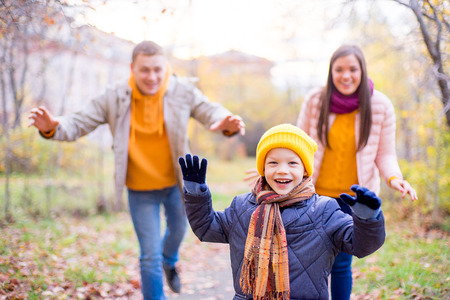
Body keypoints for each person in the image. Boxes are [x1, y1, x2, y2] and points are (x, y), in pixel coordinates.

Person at [27, 40, 245, 300]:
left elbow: (211, 111)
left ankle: (169, 260)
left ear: (165, 67)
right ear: (132, 68)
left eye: (157, 69)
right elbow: (78, 121)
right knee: (148, 255)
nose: (152, 77)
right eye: (144, 70)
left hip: (177, 184)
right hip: (140, 189)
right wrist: (52, 126)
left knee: (178, 232)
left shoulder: (182, 91)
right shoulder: (115, 96)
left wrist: (226, 123)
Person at [178, 124, 386, 300]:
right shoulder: (242, 206)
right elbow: (206, 228)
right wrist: (196, 194)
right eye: (273, 162)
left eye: (292, 163)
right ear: (263, 168)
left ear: (305, 169)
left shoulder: (324, 210)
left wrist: (367, 218)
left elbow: (361, 245)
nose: (282, 170)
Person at [296, 44, 417, 300]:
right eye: (339, 69)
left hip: (351, 202)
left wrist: (395, 178)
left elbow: (385, 153)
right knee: (307, 264)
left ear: (362, 70)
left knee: (341, 265)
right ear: (331, 72)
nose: (346, 75)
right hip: (312, 198)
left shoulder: (380, 105)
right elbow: (297, 146)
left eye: (352, 69)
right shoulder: (316, 100)